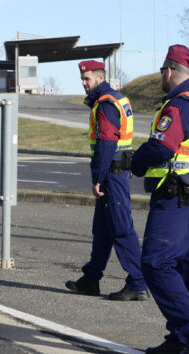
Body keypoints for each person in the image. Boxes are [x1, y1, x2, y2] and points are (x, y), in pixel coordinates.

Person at [130, 45, 189, 354]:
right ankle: (180, 335)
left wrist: (136, 160)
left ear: (169, 71)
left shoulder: (178, 105)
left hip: (174, 196)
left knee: (155, 262)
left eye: (161, 72)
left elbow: (163, 146)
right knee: (183, 265)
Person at [65, 60, 148, 301]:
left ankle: (138, 282)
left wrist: (97, 178)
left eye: (87, 79)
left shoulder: (106, 104)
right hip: (114, 172)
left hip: (112, 174)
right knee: (102, 230)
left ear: (100, 78)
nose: (83, 83)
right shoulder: (114, 99)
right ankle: (91, 279)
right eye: (82, 79)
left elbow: (106, 144)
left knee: (121, 229)